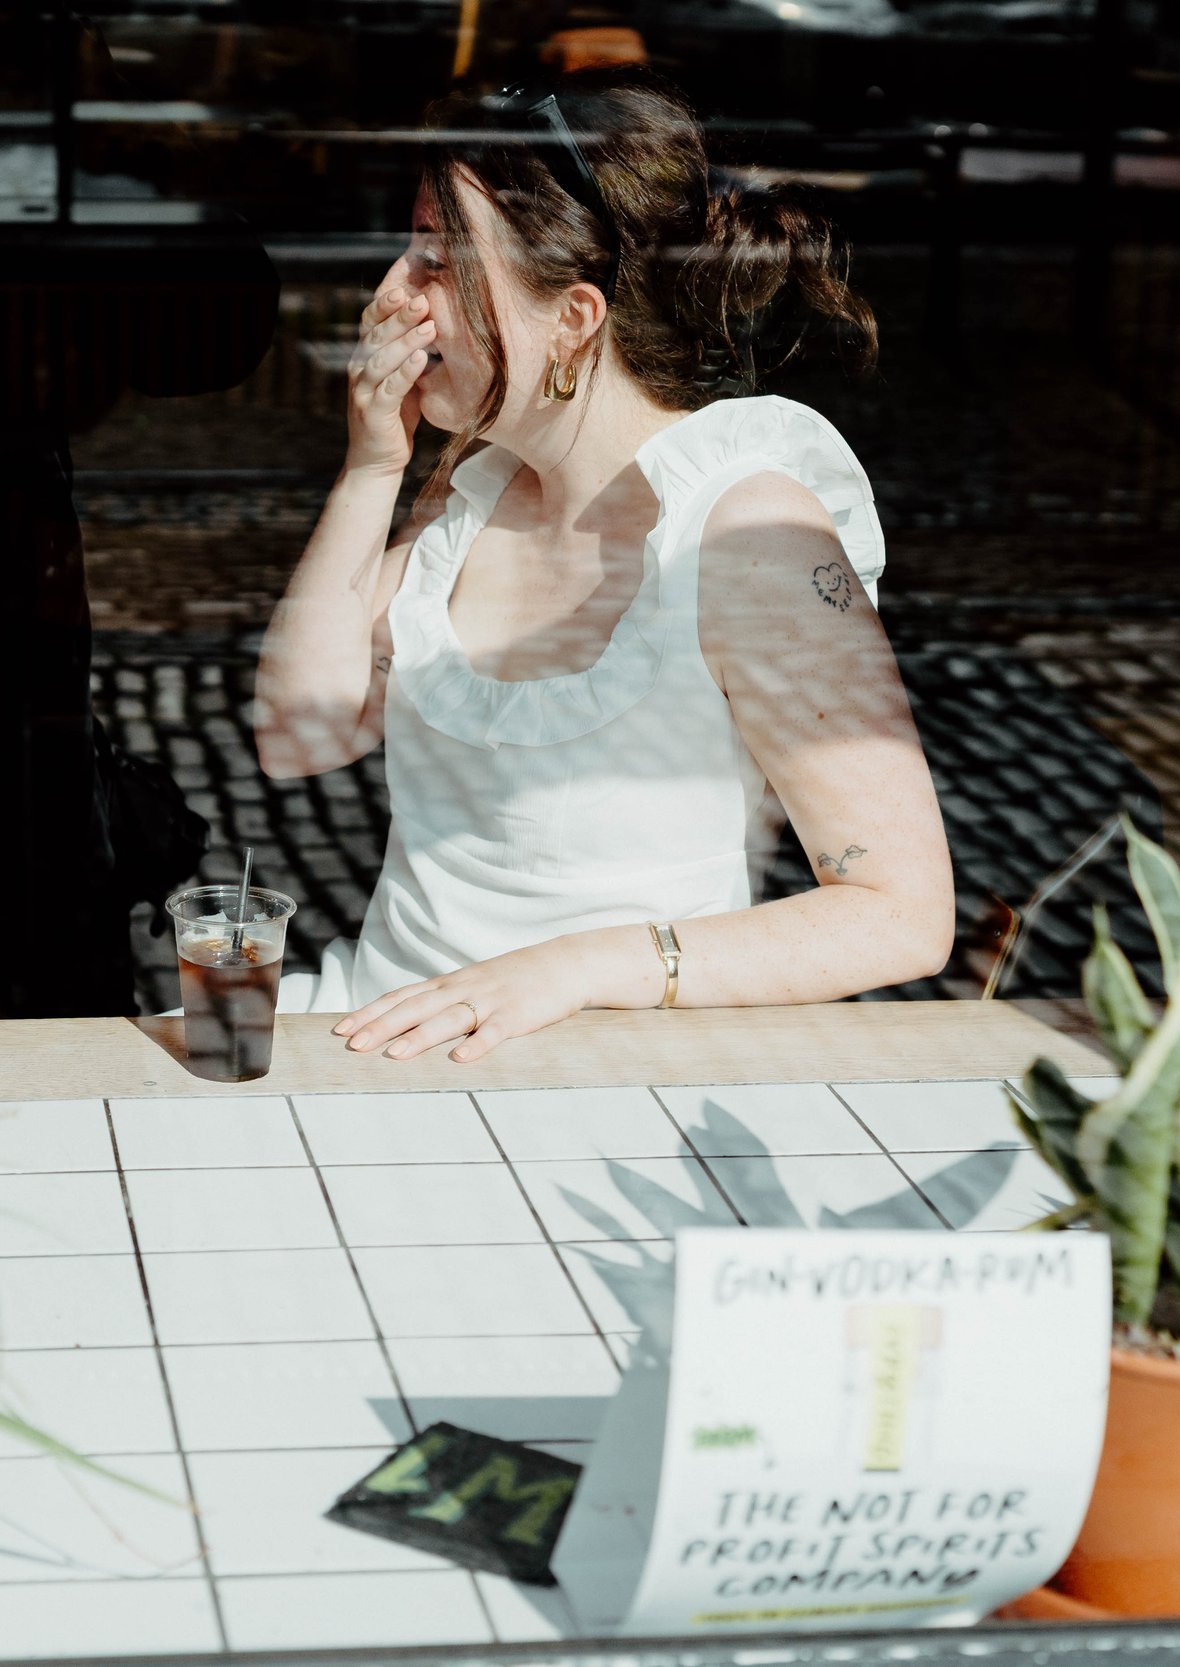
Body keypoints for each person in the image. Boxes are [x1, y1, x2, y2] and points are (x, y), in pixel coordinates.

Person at [255, 69, 954, 1065]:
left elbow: (899, 914)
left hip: (612, 1068)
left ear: (573, 318)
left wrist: (572, 967)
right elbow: (299, 737)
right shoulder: (477, 490)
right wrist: (372, 465)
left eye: (432, 259)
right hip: (379, 1032)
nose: (386, 298)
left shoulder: (751, 534)